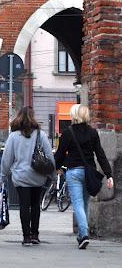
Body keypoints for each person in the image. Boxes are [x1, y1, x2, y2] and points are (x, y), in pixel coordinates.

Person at [55, 104, 114, 250]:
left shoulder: (68, 133)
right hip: (89, 173)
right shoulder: (92, 133)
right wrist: (109, 174)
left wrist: (57, 167)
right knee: (85, 203)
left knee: (78, 204)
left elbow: (60, 154)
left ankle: (84, 234)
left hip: (74, 172)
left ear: (73, 115)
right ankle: (82, 235)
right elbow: (100, 154)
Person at [0, 106, 55, 246]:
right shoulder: (40, 135)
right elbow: (49, 156)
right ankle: (35, 234)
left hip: (21, 177)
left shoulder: (13, 136)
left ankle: (26, 236)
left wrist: (2, 175)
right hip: (38, 176)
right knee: (35, 205)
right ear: (33, 117)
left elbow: (7, 159)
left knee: (24, 205)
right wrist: (53, 176)